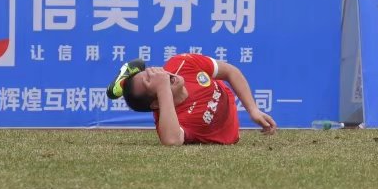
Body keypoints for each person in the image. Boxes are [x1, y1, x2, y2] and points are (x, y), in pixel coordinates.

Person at [109, 52, 277, 146]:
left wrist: (253, 110)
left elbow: (230, 71)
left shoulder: (180, 63)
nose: (158, 73)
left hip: (227, 97)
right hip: (229, 137)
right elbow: (172, 141)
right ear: (156, 102)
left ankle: (126, 80)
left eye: (149, 71)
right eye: (149, 80)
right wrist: (163, 86)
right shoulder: (170, 121)